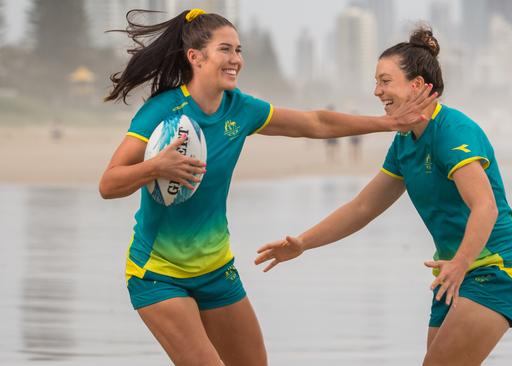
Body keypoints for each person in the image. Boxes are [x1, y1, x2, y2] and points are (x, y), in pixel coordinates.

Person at [98, 9, 436, 366]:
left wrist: (388, 123)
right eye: (225, 50)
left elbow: (315, 123)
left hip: (216, 269)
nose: (236, 60)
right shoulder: (164, 110)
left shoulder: (240, 109)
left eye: (239, 51)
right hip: (157, 273)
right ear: (195, 57)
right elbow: (109, 183)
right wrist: (157, 166)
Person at [255, 25, 512, 366]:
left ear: (417, 85)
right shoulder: (404, 142)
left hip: (498, 268)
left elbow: (485, 207)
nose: (377, 91)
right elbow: (362, 207)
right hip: (453, 272)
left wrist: (461, 264)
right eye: (376, 82)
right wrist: (302, 243)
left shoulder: (452, 131)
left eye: (385, 81)